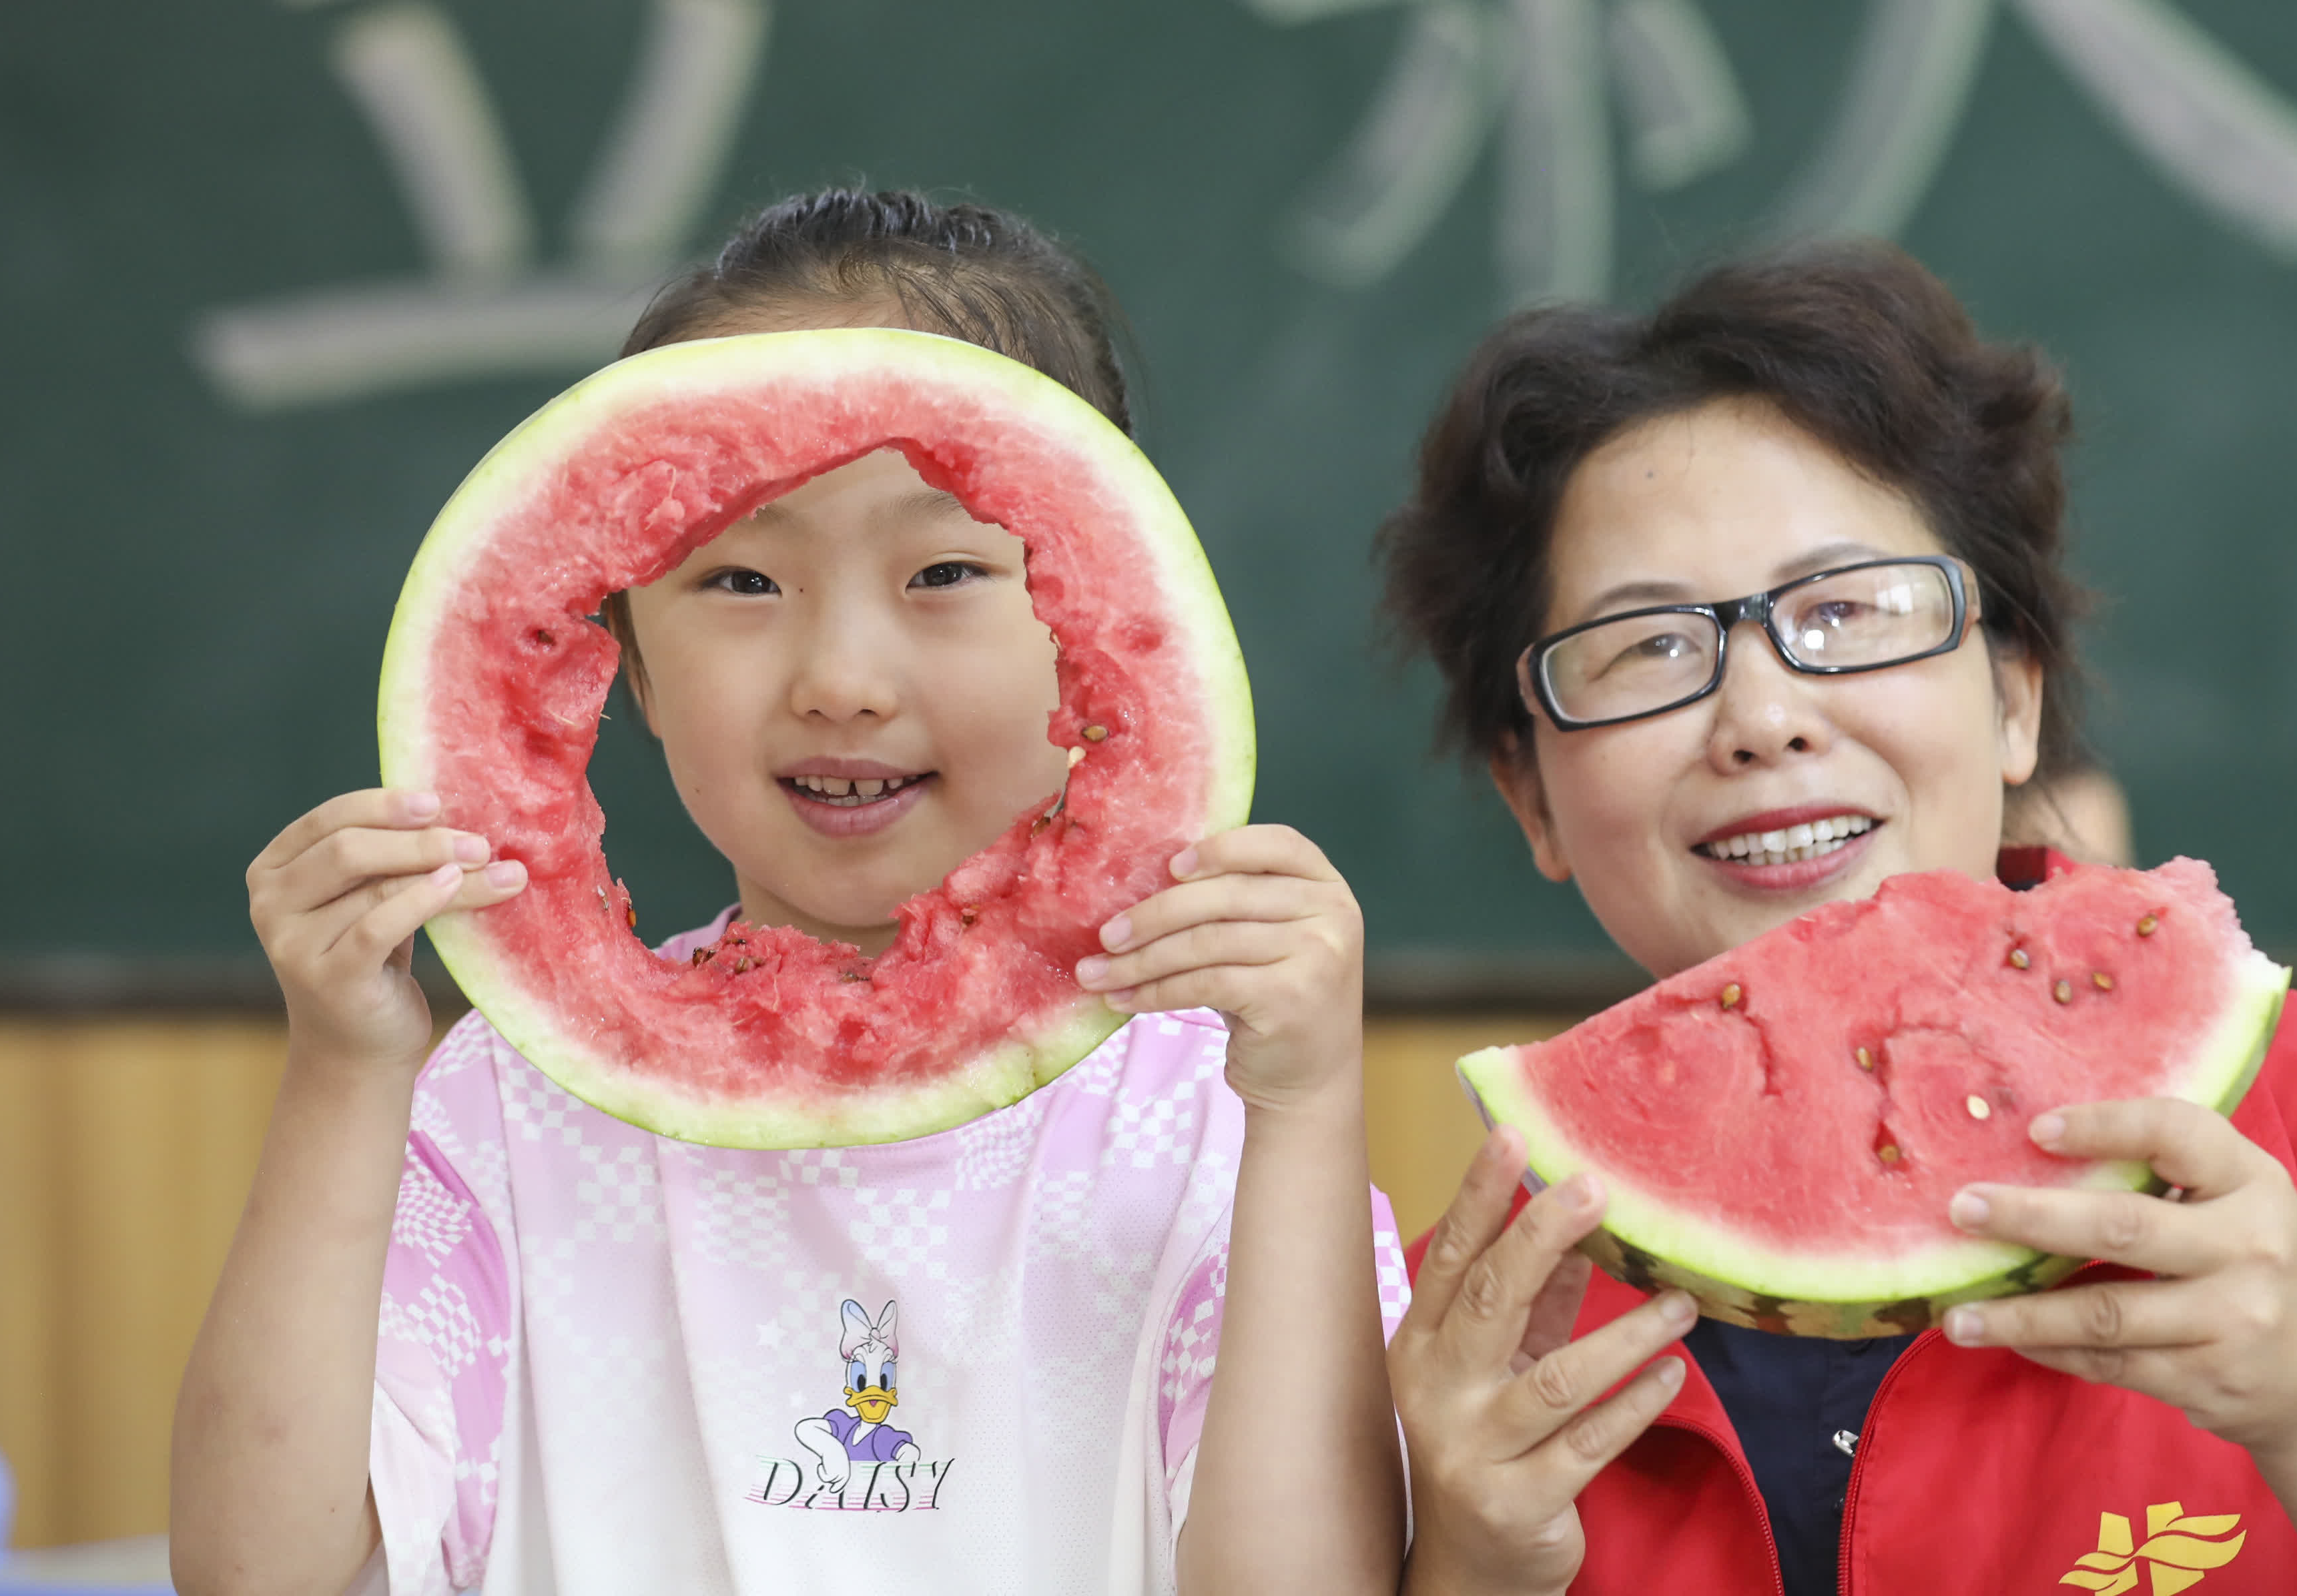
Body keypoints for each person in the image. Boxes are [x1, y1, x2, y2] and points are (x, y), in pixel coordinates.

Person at [1373, 242, 2297, 1596]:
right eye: (1649, 647)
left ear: (2015, 696)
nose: (1764, 717)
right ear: (1530, 793)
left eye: (1848, 610)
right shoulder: (1466, 1341)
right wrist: (1469, 1571)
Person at [171, 190, 1405, 1596]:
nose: (841, 678)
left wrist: (1304, 1113)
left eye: (944, 569)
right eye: (742, 579)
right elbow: (256, 1577)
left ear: (1100, 630)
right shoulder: (498, 1115)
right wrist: (345, 1072)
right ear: (620, 659)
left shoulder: (1210, 1128)